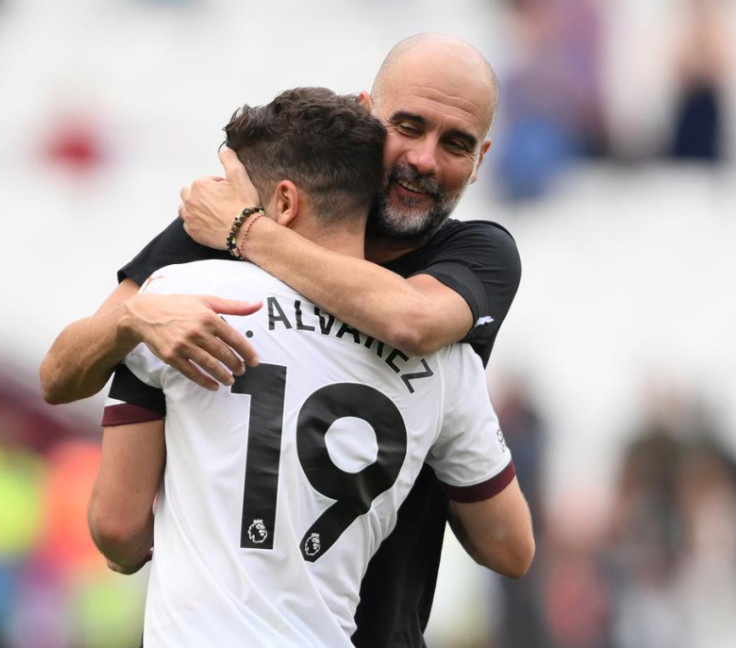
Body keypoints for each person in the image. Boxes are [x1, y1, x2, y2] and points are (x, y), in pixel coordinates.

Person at [40, 33, 522, 647]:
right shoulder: (210, 243)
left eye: (454, 143)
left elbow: (409, 320)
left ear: (481, 158)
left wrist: (247, 230)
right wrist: (130, 320)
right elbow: (61, 372)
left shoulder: (474, 253)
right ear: (367, 113)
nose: (425, 160)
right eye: (409, 125)